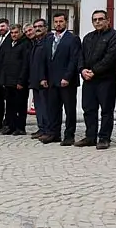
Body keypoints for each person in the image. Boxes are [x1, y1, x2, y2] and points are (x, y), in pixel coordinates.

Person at [75, 10, 116, 150]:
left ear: (108, 20)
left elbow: (110, 57)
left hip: (105, 79)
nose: (97, 22)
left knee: (106, 110)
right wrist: (82, 70)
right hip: (88, 79)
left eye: (100, 19)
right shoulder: (88, 37)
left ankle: (104, 138)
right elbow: (80, 56)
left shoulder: (115, 36)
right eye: (94, 19)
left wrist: (94, 71)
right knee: (88, 109)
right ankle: (90, 137)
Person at [41, 13, 82, 146]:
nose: (58, 24)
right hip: (52, 80)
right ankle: (54, 133)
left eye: (61, 21)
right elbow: (45, 59)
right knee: (53, 108)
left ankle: (69, 136)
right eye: (56, 22)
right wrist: (43, 77)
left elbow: (74, 59)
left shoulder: (73, 39)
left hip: (66, 81)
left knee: (69, 109)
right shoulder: (49, 38)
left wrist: (67, 77)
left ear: (66, 22)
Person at [0, 24, 31, 135]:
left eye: (16, 32)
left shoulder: (26, 44)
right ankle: (11, 126)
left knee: (20, 105)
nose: (14, 35)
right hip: (8, 81)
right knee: (10, 105)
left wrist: (21, 81)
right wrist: (3, 80)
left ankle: (20, 127)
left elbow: (25, 64)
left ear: (21, 32)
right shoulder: (9, 44)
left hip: (19, 82)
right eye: (12, 33)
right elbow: (4, 63)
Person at [28, 19, 50, 140]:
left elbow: (47, 62)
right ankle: (41, 128)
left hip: (44, 80)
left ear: (45, 28)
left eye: (40, 26)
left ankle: (47, 129)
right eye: (35, 26)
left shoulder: (48, 41)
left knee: (45, 106)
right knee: (38, 106)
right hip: (35, 80)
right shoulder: (36, 42)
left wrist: (43, 77)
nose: (37, 28)